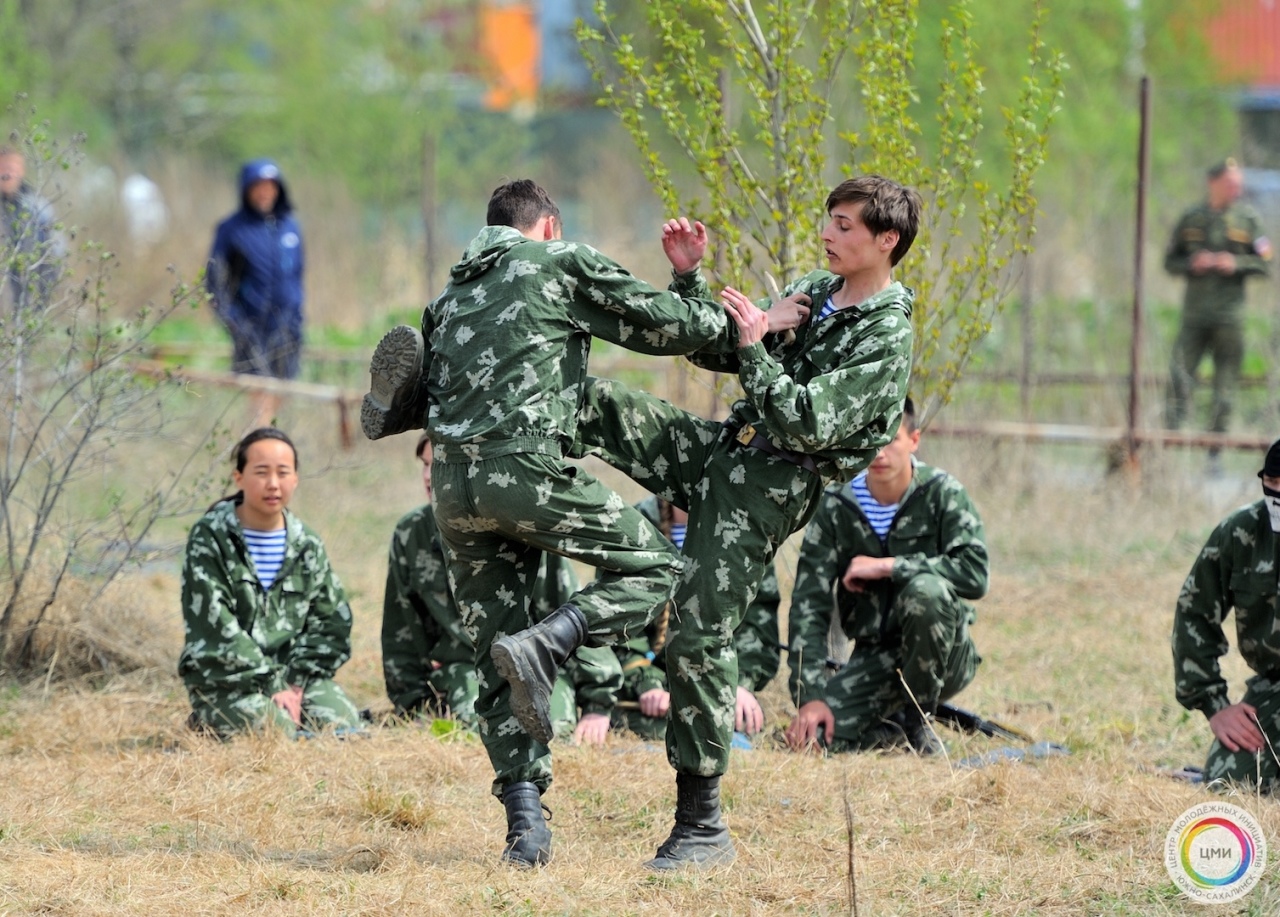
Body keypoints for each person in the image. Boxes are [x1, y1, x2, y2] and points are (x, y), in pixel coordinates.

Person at [506, 174, 915, 869]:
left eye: (846, 226)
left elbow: (809, 420)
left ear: (887, 240)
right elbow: (718, 350)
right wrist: (690, 281)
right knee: (602, 404)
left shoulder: (886, 334)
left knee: (699, 631)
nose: (829, 235)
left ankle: (701, 826)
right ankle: (467, 404)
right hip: (727, 450)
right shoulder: (820, 290)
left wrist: (757, 344)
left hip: (771, 485)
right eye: (830, 221)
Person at [374, 178, 747, 868]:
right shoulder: (557, 261)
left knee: (497, 650)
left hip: (452, 485)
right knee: (661, 564)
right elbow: (670, 327)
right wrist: (707, 293)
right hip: (527, 469)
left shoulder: (449, 296)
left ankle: (526, 830)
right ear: (550, 225)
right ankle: (555, 641)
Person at [382, 433, 621, 744]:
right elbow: (401, 628)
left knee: (554, 730)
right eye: (425, 465)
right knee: (476, 731)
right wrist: (414, 706)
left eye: (438, 463)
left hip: (534, 667)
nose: (428, 475)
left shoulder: (524, 525)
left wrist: (597, 706)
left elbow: (573, 615)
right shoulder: (411, 533)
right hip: (464, 669)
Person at [783, 396, 988, 757]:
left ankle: (917, 717)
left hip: (947, 655)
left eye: (891, 439)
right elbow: (808, 604)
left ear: (914, 440)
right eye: (870, 440)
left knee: (927, 592)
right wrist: (810, 696)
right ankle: (892, 731)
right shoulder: (836, 506)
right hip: (877, 658)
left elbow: (974, 574)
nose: (879, 452)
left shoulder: (942, 494)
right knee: (816, 740)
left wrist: (891, 566)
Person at [179, 427, 362, 739]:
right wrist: (271, 684)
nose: (273, 484)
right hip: (230, 679)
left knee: (341, 726)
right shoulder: (210, 537)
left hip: (295, 678)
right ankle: (210, 717)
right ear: (239, 477)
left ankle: (287, 717)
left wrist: (296, 682)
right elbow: (215, 627)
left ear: (295, 479)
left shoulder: (306, 543)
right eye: (261, 472)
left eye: (283, 473)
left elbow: (332, 621)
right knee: (276, 733)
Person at [611, 496, 782, 743]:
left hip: (721, 682)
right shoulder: (638, 523)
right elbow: (620, 622)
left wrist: (739, 684)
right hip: (652, 687)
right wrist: (647, 683)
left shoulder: (746, 529)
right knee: (649, 725)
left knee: (737, 723)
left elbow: (758, 625)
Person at [1172, 437, 1280, 792]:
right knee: (1230, 776)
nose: (1278, 493)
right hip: (1276, 688)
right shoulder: (1242, 532)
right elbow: (1194, 612)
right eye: (1273, 483)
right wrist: (1215, 705)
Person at [1164, 158, 1271, 451]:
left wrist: (1235, 263)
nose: (1236, 189)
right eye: (1230, 183)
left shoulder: (1248, 220)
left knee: (1225, 389)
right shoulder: (1191, 218)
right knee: (1179, 378)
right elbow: (1169, 261)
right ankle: (1170, 444)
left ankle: (1215, 451)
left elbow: (1266, 263)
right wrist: (1191, 263)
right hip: (1195, 316)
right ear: (1213, 183)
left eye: (1238, 184)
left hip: (1229, 317)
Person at [206, 159, 305, 430]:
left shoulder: (291, 227)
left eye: (270, 186)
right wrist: (234, 323)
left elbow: (298, 277)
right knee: (260, 395)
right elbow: (215, 283)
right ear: (246, 190)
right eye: (258, 187)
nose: (264, 193)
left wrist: (297, 316)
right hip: (251, 328)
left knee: (282, 392)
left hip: (287, 327)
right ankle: (259, 451)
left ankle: (273, 444)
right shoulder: (231, 230)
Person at [0, 145, 64, 312]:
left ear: (21, 171)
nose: (7, 174)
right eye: (3, 168)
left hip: (28, 278)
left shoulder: (37, 207)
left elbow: (55, 251)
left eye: (11, 168)